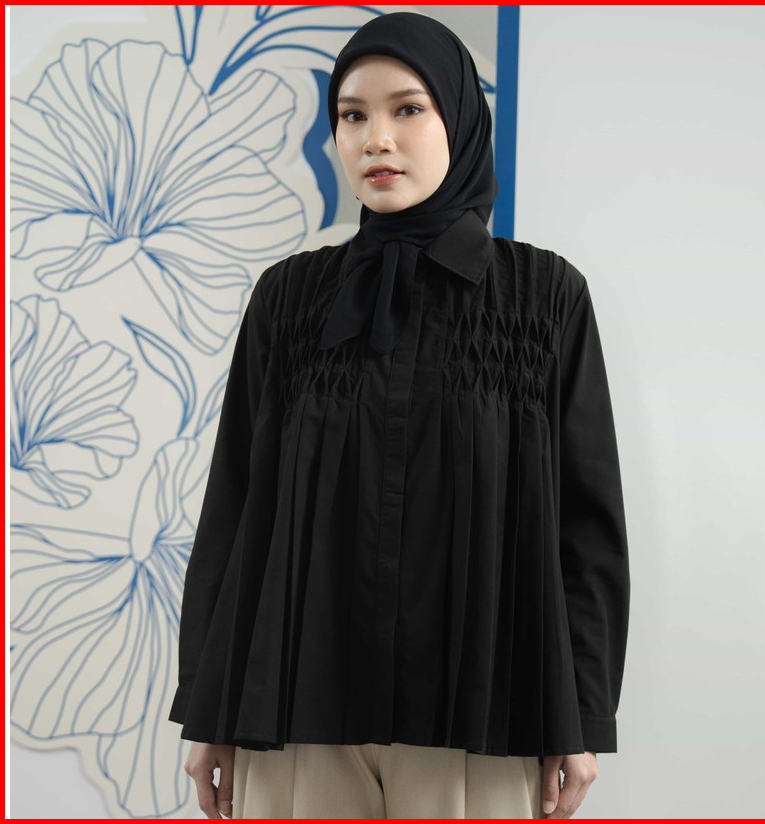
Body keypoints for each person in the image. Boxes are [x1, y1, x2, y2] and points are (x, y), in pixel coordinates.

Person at [170, 11, 630, 820]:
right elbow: (234, 515)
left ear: (460, 119)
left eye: (407, 109)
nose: (376, 138)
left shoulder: (544, 299)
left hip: (481, 718)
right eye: (352, 115)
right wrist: (208, 708)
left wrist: (584, 717)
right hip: (296, 719)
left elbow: (586, 533)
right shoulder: (288, 299)